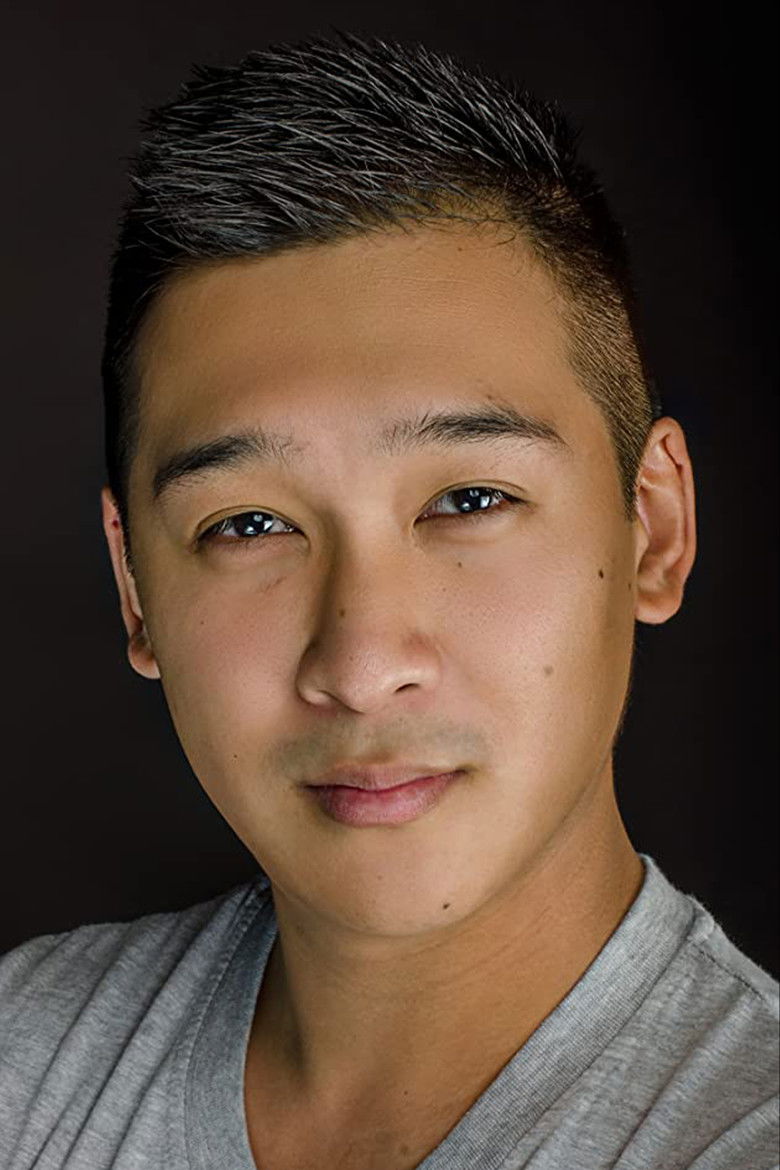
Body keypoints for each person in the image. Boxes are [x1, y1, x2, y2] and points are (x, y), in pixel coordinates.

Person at [0, 29, 776, 1170]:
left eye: (469, 499)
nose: (362, 666)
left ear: (652, 528)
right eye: (248, 525)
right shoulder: (24, 1059)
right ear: (134, 587)